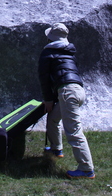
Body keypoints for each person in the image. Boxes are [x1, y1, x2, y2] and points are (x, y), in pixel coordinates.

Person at [37, 22, 95, 179]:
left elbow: (44, 79)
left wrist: (48, 100)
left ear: (50, 38)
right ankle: (56, 148)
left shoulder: (47, 53)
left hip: (67, 93)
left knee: (74, 131)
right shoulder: (70, 52)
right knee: (54, 118)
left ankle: (86, 168)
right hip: (78, 91)